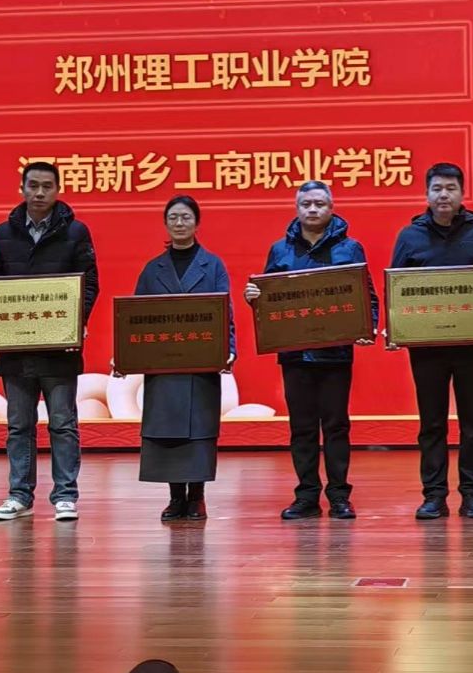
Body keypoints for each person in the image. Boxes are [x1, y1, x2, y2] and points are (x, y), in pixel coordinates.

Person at [243, 181, 378, 522]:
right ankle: (306, 496)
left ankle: (339, 496)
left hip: (335, 354)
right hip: (295, 355)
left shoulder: (350, 248)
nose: (313, 209)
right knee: (302, 428)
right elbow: (269, 301)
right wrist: (254, 298)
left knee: (336, 427)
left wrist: (368, 327)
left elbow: (368, 296)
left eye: (319, 203)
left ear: (331, 208)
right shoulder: (280, 250)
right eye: (306, 204)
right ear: (297, 208)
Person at [389, 162, 473, 521]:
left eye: (451, 188)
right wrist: (396, 328)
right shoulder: (409, 237)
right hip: (427, 348)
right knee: (432, 424)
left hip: (472, 347)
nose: (444, 195)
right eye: (437, 188)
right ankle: (434, 495)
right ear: (427, 194)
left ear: (462, 193)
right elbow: (397, 288)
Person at [0, 161, 99, 522]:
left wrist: (76, 321)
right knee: (19, 426)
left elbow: (89, 283)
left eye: (46, 186)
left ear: (58, 190)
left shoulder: (75, 232)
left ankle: (65, 496)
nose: (39, 193)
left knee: (62, 424)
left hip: (58, 348)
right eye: (32, 185)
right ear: (21, 188)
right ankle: (19, 496)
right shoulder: (4, 233)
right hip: (16, 349)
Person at [128, 196, 236, 523]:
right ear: (165, 223)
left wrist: (229, 348)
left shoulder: (213, 265)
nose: (179, 223)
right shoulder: (152, 269)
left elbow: (225, 313)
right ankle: (176, 498)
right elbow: (135, 318)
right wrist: (128, 355)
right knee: (168, 429)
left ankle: (197, 497)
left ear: (196, 222)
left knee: (198, 431)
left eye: (186, 217)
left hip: (201, 362)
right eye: (173, 217)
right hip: (164, 364)